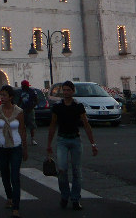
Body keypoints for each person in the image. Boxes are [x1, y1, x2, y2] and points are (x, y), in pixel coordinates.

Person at [46, 80, 98, 211]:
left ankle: (75, 199)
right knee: (62, 169)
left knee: (76, 171)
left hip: (75, 140)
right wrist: (49, 144)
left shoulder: (78, 106)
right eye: (64, 90)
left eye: (68, 90)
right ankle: (64, 195)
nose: (66, 92)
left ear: (73, 91)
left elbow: (86, 125)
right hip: (62, 140)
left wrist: (93, 143)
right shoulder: (58, 107)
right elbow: (52, 125)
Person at [0, 84, 28, 218]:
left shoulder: (19, 112)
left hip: (16, 146)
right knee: (5, 175)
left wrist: (25, 148)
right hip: (1, 147)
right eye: (1, 95)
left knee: (15, 176)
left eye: (5, 95)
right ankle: (9, 197)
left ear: (11, 97)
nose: (2, 97)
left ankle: (16, 207)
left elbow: (23, 130)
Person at [18, 80, 38, 145]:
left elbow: (36, 100)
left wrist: (31, 107)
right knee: (22, 125)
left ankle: (32, 139)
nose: (22, 87)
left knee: (31, 125)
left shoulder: (32, 91)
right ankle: (23, 139)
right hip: (23, 110)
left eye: (23, 86)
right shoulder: (21, 92)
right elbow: (20, 100)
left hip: (30, 110)